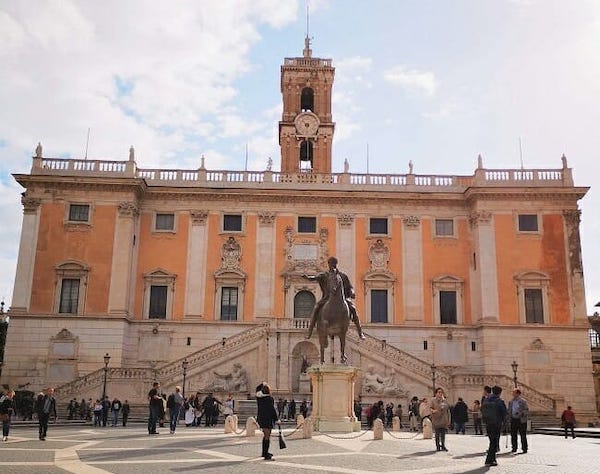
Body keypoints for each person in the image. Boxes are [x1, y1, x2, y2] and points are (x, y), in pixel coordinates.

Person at [303, 256, 366, 340]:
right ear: (328, 264)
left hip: (342, 298)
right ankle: (309, 332)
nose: (331, 265)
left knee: (353, 309)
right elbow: (315, 277)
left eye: (333, 264)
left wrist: (352, 292)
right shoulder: (325, 275)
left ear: (336, 264)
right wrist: (308, 278)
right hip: (327, 298)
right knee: (316, 308)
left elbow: (350, 287)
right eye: (330, 264)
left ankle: (360, 332)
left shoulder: (343, 276)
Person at [483, 385, 507, 467]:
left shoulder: (486, 400)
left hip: (488, 423)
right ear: (500, 393)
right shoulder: (500, 401)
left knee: (492, 442)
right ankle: (489, 460)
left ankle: (492, 459)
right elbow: (504, 413)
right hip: (496, 424)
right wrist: (505, 423)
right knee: (494, 442)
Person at [256, 382, 279, 461]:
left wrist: (262, 384)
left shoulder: (259, 398)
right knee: (267, 436)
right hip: (267, 419)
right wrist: (277, 419)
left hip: (261, 418)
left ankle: (264, 452)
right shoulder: (269, 399)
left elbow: (257, 389)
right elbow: (272, 409)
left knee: (265, 435)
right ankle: (266, 454)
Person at [508, 388, 528, 454]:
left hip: (521, 420)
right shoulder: (511, 402)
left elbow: (526, 410)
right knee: (513, 434)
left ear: (518, 393)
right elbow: (509, 410)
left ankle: (524, 448)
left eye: (514, 392)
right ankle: (514, 448)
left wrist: (521, 413)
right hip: (513, 419)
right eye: (513, 392)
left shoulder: (523, 401)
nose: (513, 394)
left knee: (523, 435)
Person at [430, 388, 451, 452]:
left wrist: (449, 419)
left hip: (443, 419)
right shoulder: (433, 400)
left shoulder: (444, 400)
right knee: (437, 434)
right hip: (436, 419)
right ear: (436, 393)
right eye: (439, 392)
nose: (440, 393)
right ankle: (438, 446)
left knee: (443, 434)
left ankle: (443, 445)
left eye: (441, 392)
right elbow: (430, 408)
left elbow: (448, 410)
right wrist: (433, 411)